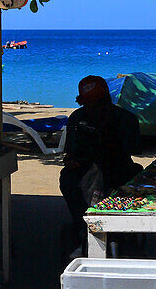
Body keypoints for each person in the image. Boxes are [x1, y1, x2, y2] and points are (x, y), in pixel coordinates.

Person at [59, 75, 141, 253]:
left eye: (96, 102)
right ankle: (83, 225)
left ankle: (124, 231)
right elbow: (71, 153)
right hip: (84, 172)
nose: (92, 108)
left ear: (106, 99)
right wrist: (73, 161)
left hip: (119, 170)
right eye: (88, 103)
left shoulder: (126, 119)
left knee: (133, 178)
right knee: (67, 178)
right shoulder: (77, 119)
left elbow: (133, 149)